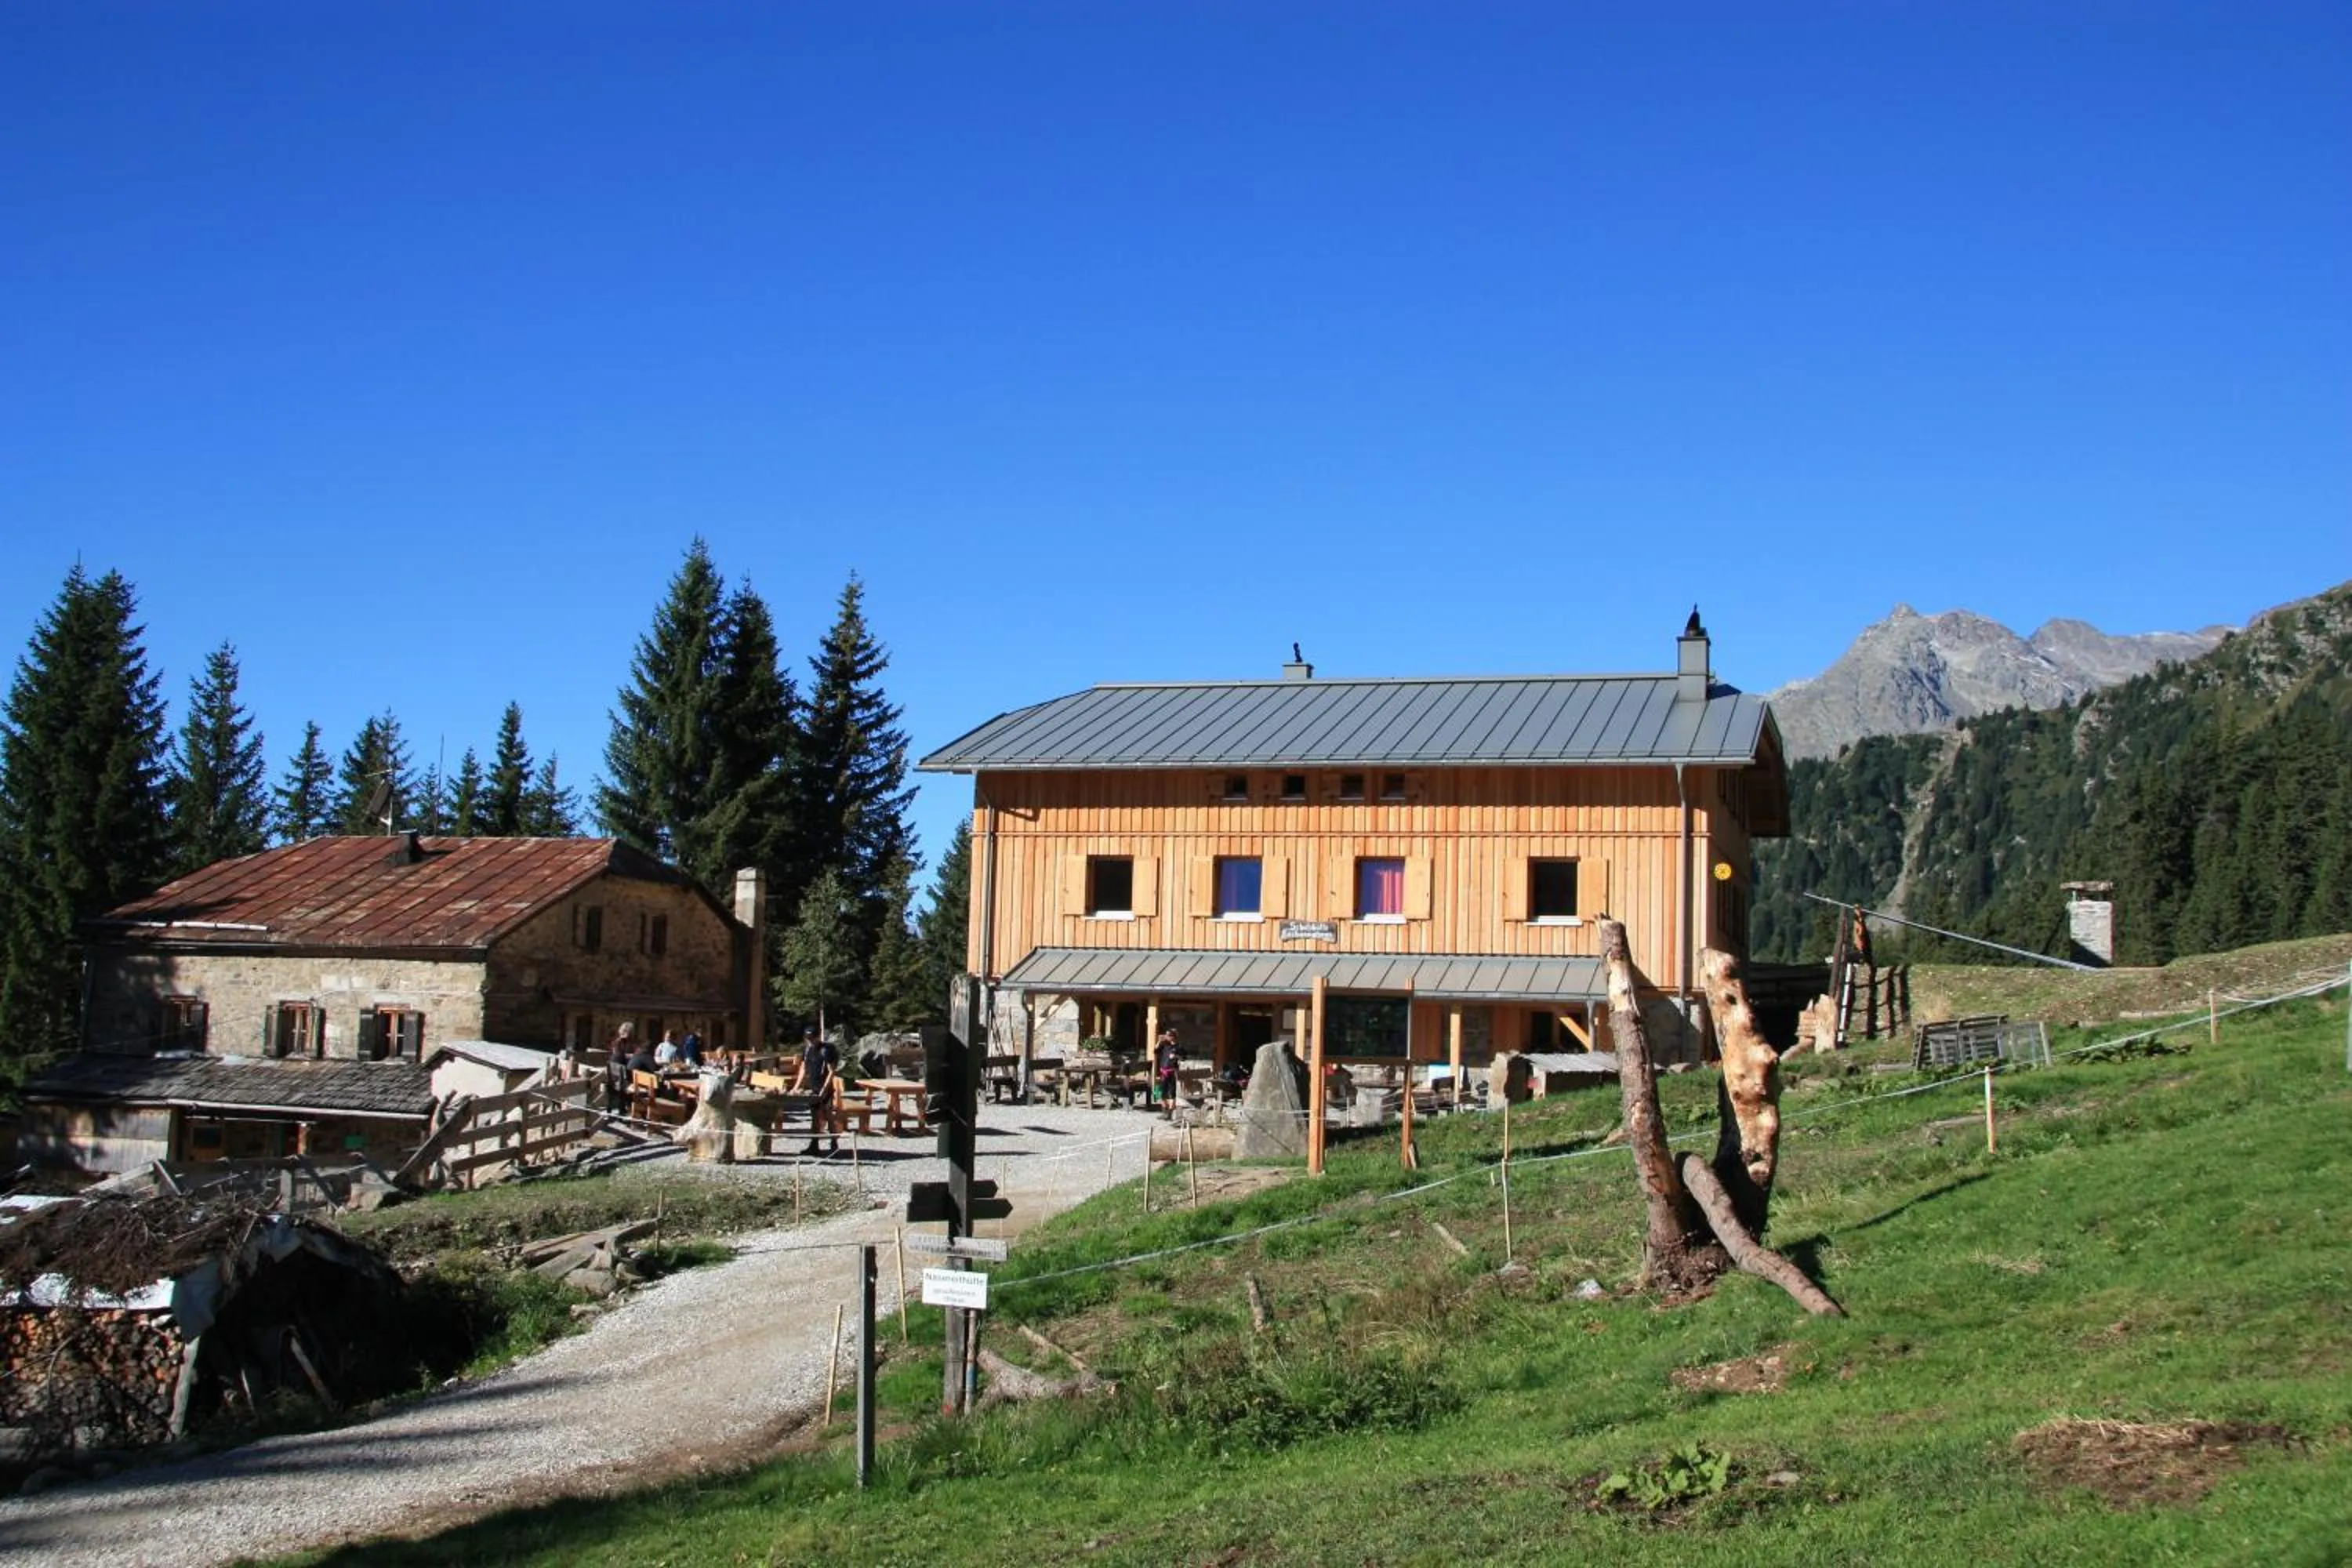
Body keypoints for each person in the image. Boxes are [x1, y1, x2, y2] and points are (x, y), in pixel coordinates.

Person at [789, 1025, 841, 1156]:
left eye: (812, 1039)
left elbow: (831, 1071)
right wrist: (796, 1087)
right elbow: (803, 1069)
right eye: (808, 1039)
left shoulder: (826, 1050)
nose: (810, 1041)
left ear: (818, 1037)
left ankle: (834, 1144)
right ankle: (814, 1145)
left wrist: (824, 1089)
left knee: (828, 1116)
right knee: (815, 1117)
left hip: (825, 1087)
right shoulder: (807, 1050)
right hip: (813, 1087)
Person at [1153, 1028, 1181, 1113]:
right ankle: (1164, 1110)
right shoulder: (1165, 1045)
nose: (1166, 1036)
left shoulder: (1178, 1047)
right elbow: (1155, 1051)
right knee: (1162, 1091)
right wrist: (1159, 1042)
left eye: (1168, 1035)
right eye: (1166, 1035)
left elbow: (1184, 1057)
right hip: (1163, 1072)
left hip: (1172, 1072)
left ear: (1173, 1037)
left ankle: (1170, 1111)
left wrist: (1176, 1056)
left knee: (1171, 1092)